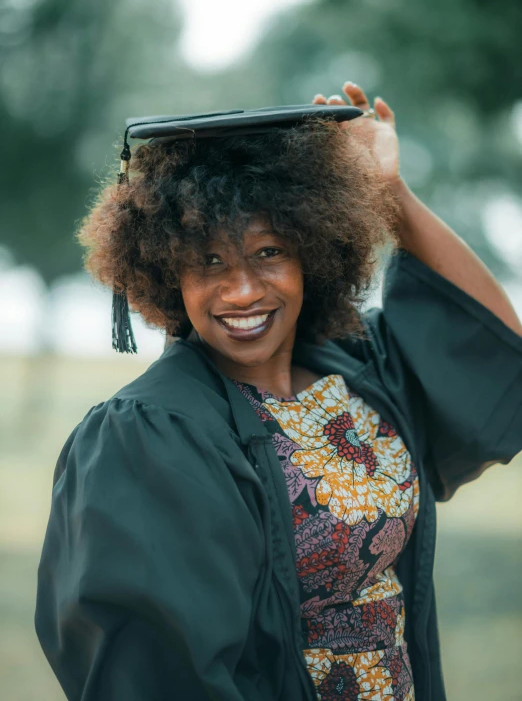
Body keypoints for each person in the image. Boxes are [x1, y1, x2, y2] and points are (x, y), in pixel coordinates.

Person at [35, 82, 522, 701]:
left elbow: (493, 354)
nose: (242, 291)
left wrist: (388, 192)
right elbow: (157, 675)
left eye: (269, 252)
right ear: (165, 270)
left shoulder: (360, 373)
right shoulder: (148, 435)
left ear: (313, 255)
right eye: (209, 261)